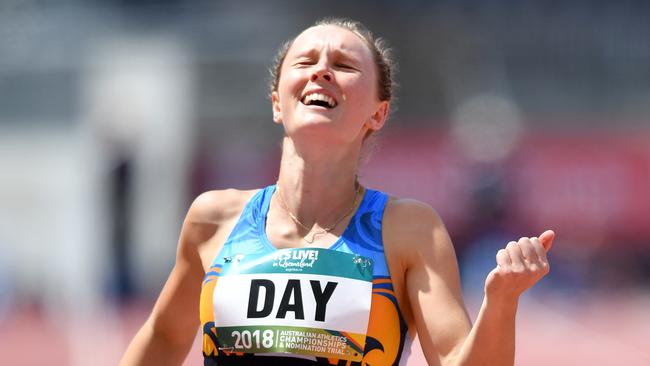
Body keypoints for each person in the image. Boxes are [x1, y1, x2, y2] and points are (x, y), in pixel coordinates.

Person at [120, 18, 554, 366]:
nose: (322, 70)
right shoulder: (214, 218)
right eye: (305, 61)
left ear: (377, 113)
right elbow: (164, 336)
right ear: (277, 103)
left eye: (344, 66)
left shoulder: (408, 230)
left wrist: (501, 303)